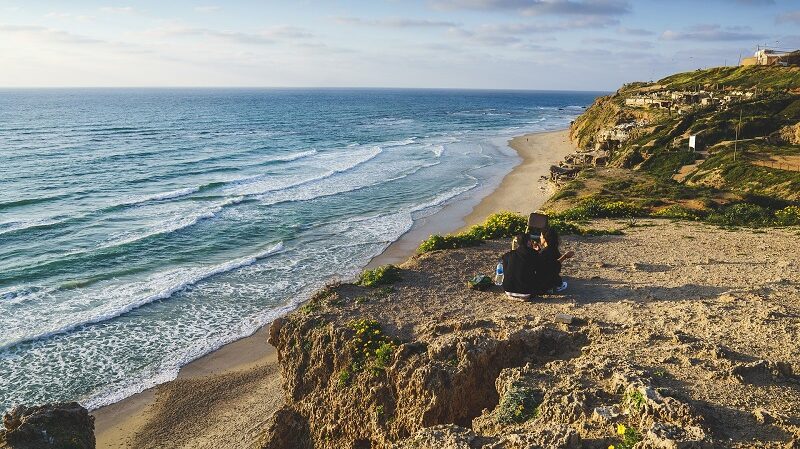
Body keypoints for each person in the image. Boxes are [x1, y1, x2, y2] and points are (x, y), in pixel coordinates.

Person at [533, 227, 574, 294]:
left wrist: (536, 252)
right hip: (551, 279)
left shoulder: (544, 252)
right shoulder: (554, 250)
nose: (540, 238)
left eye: (541, 236)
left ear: (545, 238)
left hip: (541, 284)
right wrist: (539, 251)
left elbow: (548, 266)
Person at [500, 233, 540, 299]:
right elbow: (538, 269)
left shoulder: (509, 254)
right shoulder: (533, 253)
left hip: (508, 289)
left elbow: (504, 258)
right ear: (529, 242)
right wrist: (538, 251)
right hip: (526, 291)